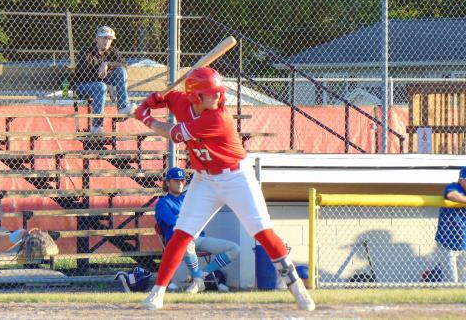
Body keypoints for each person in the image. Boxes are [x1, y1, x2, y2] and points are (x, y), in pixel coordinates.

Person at [133, 66, 314, 311]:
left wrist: (145, 116)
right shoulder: (181, 101)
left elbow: (172, 133)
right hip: (204, 180)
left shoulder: (218, 118)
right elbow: (167, 98)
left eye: (218, 91)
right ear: (195, 96)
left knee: (262, 231)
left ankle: (296, 286)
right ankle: (158, 292)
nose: (218, 96)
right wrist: (155, 100)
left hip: (236, 177)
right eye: (211, 93)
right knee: (182, 234)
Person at [155, 166, 239, 293]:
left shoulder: (188, 199)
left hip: (198, 238)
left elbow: (199, 218)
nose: (180, 183)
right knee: (187, 241)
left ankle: (201, 275)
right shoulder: (163, 202)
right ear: (167, 182)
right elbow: (177, 224)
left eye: (182, 180)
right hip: (178, 242)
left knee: (235, 249)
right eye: (176, 180)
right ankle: (199, 282)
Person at [73, 25, 136, 134]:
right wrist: (108, 86)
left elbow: (124, 65)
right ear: (97, 38)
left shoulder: (112, 51)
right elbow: (86, 75)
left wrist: (107, 64)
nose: (107, 41)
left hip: (100, 84)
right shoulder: (86, 52)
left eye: (110, 39)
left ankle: (123, 107)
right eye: (104, 38)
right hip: (82, 86)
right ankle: (96, 127)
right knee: (101, 87)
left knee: (120, 70)